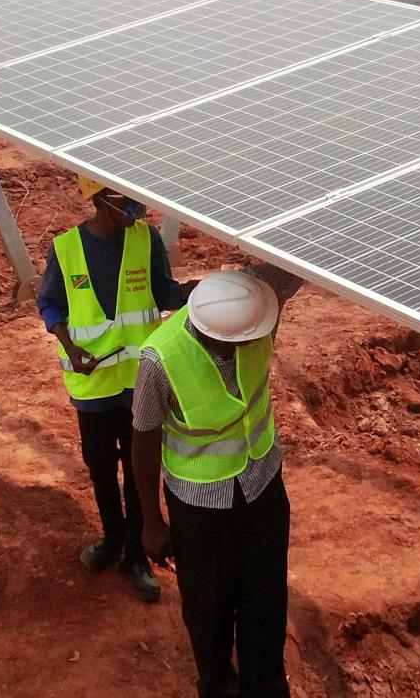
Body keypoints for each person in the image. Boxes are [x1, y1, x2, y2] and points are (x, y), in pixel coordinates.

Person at [134, 265, 304, 698]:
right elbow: (144, 439)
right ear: (223, 337)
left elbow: (287, 271)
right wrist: (151, 521)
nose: (263, 335)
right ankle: (217, 685)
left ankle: (264, 684)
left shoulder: (255, 307)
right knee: (209, 609)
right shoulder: (161, 359)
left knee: (265, 600)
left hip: (263, 486)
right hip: (200, 507)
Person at [36, 176, 187, 604]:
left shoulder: (147, 239)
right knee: (101, 467)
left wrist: (188, 294)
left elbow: (163, 291)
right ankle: (111, 539)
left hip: (139, 384)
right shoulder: (65, 249)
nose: (139, 209)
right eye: (129, 202)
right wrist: (67, 342)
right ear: (100, 199)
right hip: (93, 386)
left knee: (141, 470)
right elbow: (51, 304)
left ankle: (136, 556)